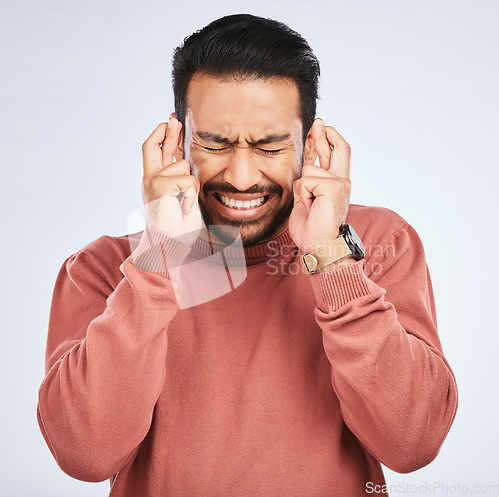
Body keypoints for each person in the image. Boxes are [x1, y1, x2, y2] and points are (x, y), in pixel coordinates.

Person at [37, 13, 458, 497]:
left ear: (309, 143)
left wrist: (330, 257)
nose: (240, 177)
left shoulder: (379, 243)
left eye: (269, 146)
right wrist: (163, 257)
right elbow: (85, 455)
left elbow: (414, 444)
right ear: (177, 140)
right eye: (214, 143)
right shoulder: (102, 271)